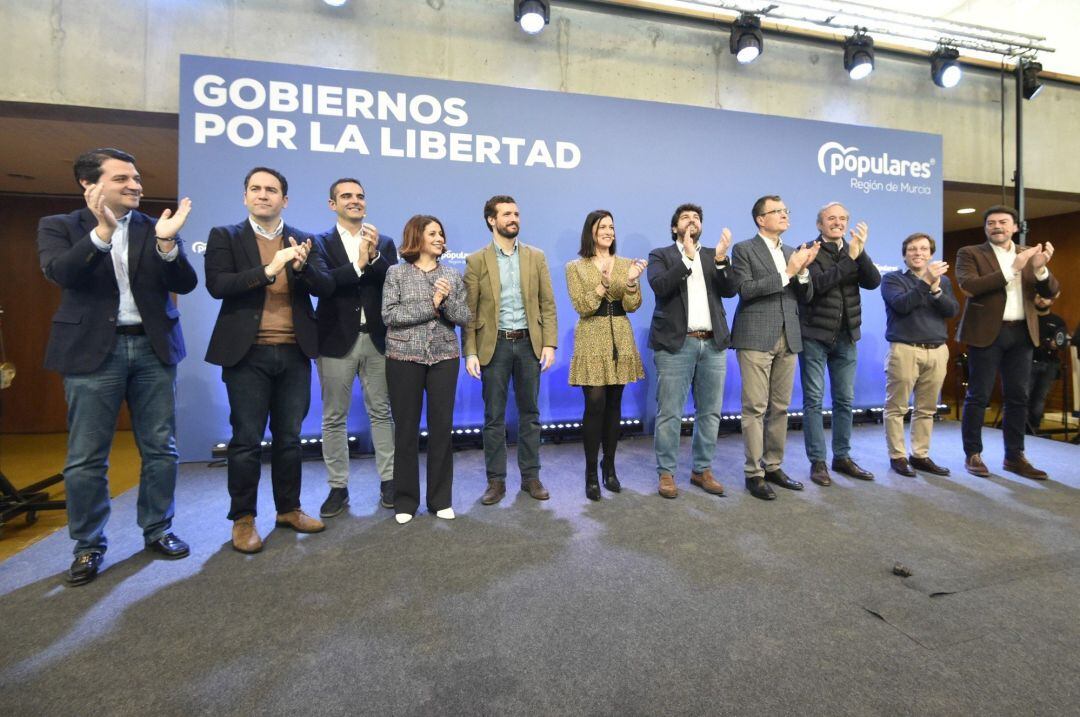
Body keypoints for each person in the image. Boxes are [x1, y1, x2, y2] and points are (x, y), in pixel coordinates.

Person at [37, 147, 197, 586]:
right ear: (90, 185)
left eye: (137, 178)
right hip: (92, 353)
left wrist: (167, 244)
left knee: (161, 449)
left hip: (153, 349)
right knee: (86, 458)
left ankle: (158, 529)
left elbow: (185, 282)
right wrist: (102, 234)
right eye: (123, 178)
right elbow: (61, 274)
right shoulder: (59, 226)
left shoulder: (154, 226)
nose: (135, 186)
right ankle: (88, 545)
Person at [204, 166, 333, 553]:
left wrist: (301, 267)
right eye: (256, 189)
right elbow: (218, 286)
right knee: (245, 441)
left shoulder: (304, 239)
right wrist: (270, 269)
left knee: (290, 439)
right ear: (245, 196)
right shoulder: (224, 236)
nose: (264, 195)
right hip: (247, 354)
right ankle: (243, 519)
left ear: (284, 200)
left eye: (272, 190)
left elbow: (325, 286)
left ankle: (288, 509)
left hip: (294, 352)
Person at [463, 195, 558, 505]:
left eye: (516, 213)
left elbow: (547, 303)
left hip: (530, 344)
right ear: (492, 220)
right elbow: (470, 310)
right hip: (495, 346)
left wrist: (549, 343)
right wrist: (471, 351)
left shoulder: (536, 256)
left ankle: (531, 476)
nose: (513, 218)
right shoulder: (477, 260)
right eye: (506, 214)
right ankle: (496, 481)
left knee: (530, 414)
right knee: (494, 417)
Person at [312, 178, 398, 518]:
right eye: (346, 196)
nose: (355, 201)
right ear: (332, 204)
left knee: (382, 412)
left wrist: (373, 256)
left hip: (377, 339)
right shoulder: (318, 242)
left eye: (360, 196)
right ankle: (338, 487)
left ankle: (389, 481)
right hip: (335, 340)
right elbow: (325, 284)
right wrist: (359, 265)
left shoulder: (384, 241)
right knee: (334, 417)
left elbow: (393, 283)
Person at [955, 205, 1059, 480]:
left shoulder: (1029, 253)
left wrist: (1040, 271)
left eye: (1003, 222)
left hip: (1022, 333)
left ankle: (1015, 456)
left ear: (1014, 227)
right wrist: (1012, 269)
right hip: (986, 332)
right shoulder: (970, 253)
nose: (997, 227)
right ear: (986, 228)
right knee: (978, 395)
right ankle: (973, 454)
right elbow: (970, 285)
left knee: (1018, 396)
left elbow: (1052, 291)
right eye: (991, 223)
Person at [382, 215, 470, 523]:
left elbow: (463, 316)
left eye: (441, 234)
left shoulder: (452, 274)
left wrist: (445, 302)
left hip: (444, 358)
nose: (439, 238)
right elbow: (390, 315)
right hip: (403, 358)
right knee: (405, 431)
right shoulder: (396, 273)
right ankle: (405, 501)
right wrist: (432, 302)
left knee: (441, 430)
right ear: (416, 237)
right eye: (432, 233)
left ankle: (440, 499)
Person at [646, 203, 738, 499]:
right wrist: (686, 257)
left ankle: (702, 470)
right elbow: (660, 286)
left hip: (712, 343)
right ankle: (667, 473)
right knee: (670, 412)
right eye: (685, 218)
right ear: (675, 228)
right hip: (676, 343)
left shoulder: (713, 255)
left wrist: (723, 260)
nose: (692, 221)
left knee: (710, 412)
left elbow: (730, 290)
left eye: (696, 217)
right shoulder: (661, 255)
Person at [730, 195, 818, 501]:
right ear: (760, 219)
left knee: (780, 408)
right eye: (776, 211)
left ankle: (773, 466)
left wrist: (804, 271)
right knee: (755, 408)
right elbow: (745, 290)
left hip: (789, 336)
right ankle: (753, 473)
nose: (784, 215)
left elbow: (805, 297)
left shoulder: (793, 251)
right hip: (755, 336)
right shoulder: (744, 249)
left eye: (785, 211)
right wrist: (789, 272)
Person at [565, 210, 648, 500]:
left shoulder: (626, 264)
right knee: (595, 404)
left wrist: (632, 281)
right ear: (591, 231)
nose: (609, 231)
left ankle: (609, 467)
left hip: (620, 335)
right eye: (603, 227)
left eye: (612, 226)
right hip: (591, 335)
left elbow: (633, 304)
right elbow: (581, 305)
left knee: (615, 405)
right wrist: (602, 284)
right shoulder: (575, 267)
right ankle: (590, 473)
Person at [797, 202, 881, 486]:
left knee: (845, 400)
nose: (838, 222)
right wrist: (850, 259)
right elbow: (817, 285)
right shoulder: (809, 249)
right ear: (820, 225)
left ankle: (842, 457)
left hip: (847, 337)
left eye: (843, 218)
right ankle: (818, 461)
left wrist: (859, 252)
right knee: (813, 401)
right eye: (831, 218)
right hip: (815, 336)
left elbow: (873, 281)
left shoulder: (852, 249)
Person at [880, 233, 959, 477]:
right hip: (905, 349)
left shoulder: (942, 281)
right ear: (905, 255)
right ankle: (897, 456)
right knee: (897, 407)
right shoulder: (892, 279)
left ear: (931, 254)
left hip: (936, 350)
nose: (918, 253)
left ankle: (920, 455)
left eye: (924, 249)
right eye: (912, 249)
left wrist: (936, 291)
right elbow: (902, 305)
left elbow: (952, 310)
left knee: (926, 408)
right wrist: (925, 282)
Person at [1026, 292, 1067, 433]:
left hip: (1050, 364)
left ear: (1052, 301)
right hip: (1028, 362)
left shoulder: (1058, 321)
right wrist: (1045, 341)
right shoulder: (1027, 319)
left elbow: (1062, 340)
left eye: (1046, 297)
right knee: (1023, 395)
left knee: (1040, 398)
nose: (1042, 300)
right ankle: (1020, 428)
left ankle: (1034, 428)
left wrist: (1057, 343)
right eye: (1039, 296)